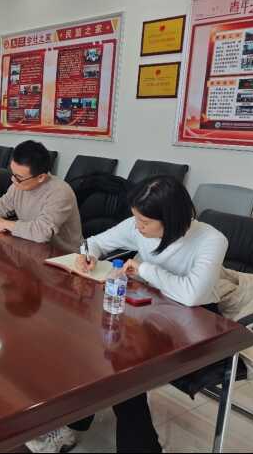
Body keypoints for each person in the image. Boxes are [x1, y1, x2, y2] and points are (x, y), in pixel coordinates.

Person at [27, 175, 228, 454]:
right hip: (150, 307)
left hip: (195, 323)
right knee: (87, 344)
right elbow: (94, 242)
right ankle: (77, 421)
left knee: (121, 367)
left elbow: (192, 294)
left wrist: (144, 269)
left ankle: (132, 443)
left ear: (171, 219)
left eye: (144, 222)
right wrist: (88, 255)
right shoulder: (138, 226)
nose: (137, 227)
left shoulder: (211, 239)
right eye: (135, 219)